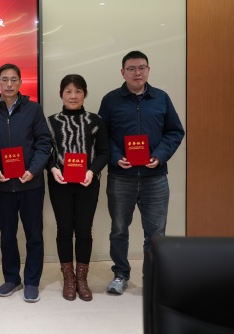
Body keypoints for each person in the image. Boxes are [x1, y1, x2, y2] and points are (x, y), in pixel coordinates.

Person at [98, 50, 185, 295]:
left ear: (148, 70)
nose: (137, 72)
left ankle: (153, 278)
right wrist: (116, 156)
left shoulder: (161, 98)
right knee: (119, 229)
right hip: (121, 177)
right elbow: (102, 136)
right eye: (132, 68)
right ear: (122, 72)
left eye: (142, 67)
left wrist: (159, 155)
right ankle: (120, 274)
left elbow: (175, 131)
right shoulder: (111, 100)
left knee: (156, 233)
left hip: (154, 178)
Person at [0, 63, 51, 303]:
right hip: (2, 185)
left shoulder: (33, 109)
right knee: (7, 234)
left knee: (34, 235)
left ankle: (31, 281)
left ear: (20, 82)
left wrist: (34, 170)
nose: (9, 84)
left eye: (13, 79)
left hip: (31, 183)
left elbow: (44, 143)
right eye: (4, 79)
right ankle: (11, 278)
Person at [46, 74, 109, 301]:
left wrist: (92, 171)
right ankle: (68, 278)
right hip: (60, 183)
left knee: (84, 230)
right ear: (61, 94)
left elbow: (104, 152)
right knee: (64, 230)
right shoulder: (51, 122)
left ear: (84, 94)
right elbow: (44, 152)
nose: (73, 96)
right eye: (68, 91)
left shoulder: (96, 121)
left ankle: (82, 279)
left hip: (87, 183)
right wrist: (53, 168)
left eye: (78, 91)